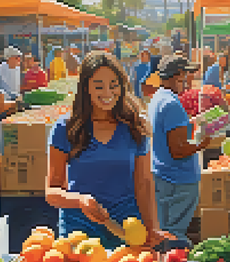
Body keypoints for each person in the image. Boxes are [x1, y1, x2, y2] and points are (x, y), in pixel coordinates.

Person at [46, 51, 172, 250]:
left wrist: (152, 228)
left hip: (128, 230)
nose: (107, 93)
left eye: (114, 85)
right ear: (85, 87)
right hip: (79, 232)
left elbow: (144, 184)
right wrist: (80, 201)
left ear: (122, 86)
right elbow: (52, 192)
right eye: (98, 86)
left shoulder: (135, 127)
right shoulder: (65, 128)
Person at [148, 55, 210, 249]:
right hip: (178, 181)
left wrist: (189, 124)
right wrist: (203, 143)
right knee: (173, 236)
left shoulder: (158, 98)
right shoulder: (172, 104)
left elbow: (167, 137)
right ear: (178, 75)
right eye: (188, 75)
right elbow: (178, 149)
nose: (190, 80)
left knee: (167, 231)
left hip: (164, 177)